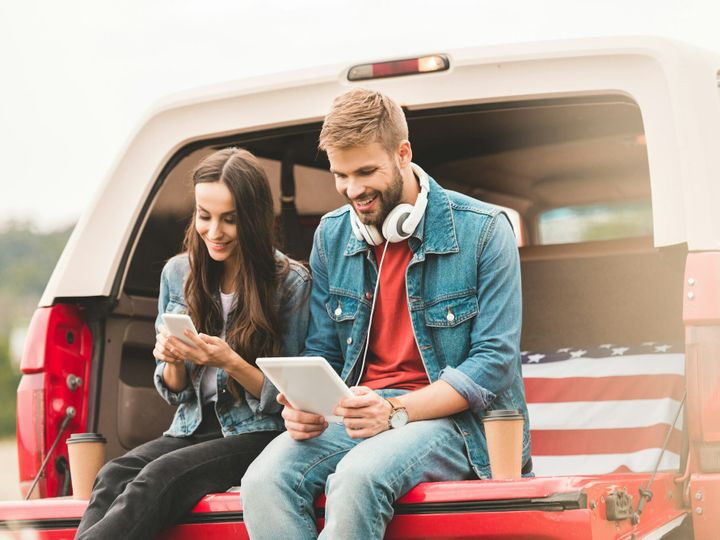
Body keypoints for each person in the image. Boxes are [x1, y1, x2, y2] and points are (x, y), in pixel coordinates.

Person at [240, 89, 531, 539]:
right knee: (262, 480)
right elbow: (324, 351)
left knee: (356, 479)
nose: (353, 190)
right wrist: (307, 407)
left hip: (455, 424)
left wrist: (393, 409)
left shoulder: (485, 229)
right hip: (357, 414)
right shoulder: (332, 235)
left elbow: (492, 364)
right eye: (340, 175)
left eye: (365, 171)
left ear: (403, 153)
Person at [76, 148, 311, 540]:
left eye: (229, 220)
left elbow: (294, 397)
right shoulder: (178, 272)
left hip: (259, 433)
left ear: (252, 220)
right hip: (191, 428)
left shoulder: (289, 283)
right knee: (112, 474)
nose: (214, 231)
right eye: (205, 216)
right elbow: (174, 391)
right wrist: (171, 361)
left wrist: (232, 362)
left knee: (160, 476)